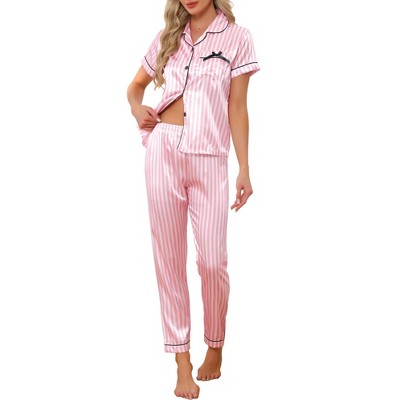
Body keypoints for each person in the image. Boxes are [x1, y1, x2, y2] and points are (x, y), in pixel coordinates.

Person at [127, 0, 260, 398]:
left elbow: (238, 106)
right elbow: (134, 87)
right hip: (162, 150)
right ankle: (181, 362)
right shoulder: (168, 37)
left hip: (210, 157)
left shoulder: (237, 38)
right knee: (168, 260)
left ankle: (215, 344)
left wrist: (244, 167)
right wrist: (136, 108)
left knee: (212, 261)